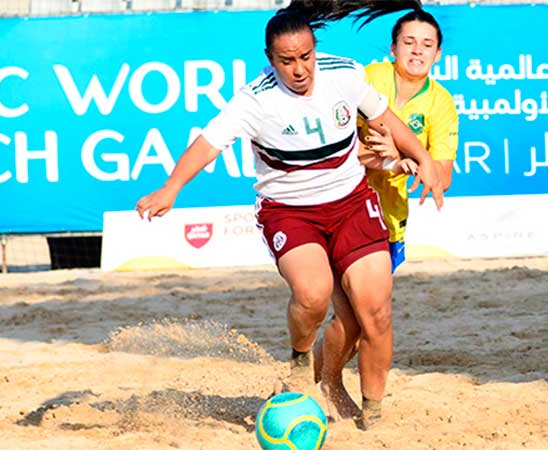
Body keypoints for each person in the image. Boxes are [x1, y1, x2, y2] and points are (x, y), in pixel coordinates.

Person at [134, 0, 441, 430]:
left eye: (306, 57)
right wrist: (171, 188)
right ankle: (301, 360)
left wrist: (422, 158)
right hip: (290, 212)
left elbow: (386, 117)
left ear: (316, 49)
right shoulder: (254, 100)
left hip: (351, 203)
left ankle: (372, 416)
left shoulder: (344, 74)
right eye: (287, 61)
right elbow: (206, 145)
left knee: (376, 312)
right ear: (269, 59)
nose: (299, 69)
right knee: (314, 294)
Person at [314, 6, 458, 425]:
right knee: (351, 318)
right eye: (409, 42)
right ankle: (327, 384)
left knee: (361, 321)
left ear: (438, 55)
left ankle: (311, 380)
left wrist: (407, 158)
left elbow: (442, 174)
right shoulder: (366, 80)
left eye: (427, 45)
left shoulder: (442, 104)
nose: (417, 51)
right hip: (336, 206)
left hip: (388, 222)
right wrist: (389, 160)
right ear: (392, 48)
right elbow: (327, 147)